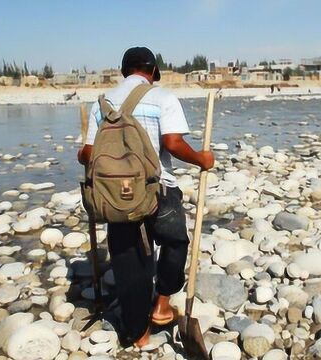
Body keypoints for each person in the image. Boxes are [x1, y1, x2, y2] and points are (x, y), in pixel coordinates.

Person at [77, 47, 215, 347]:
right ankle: (162, 304)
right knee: (176, 242)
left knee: (129, 261)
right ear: (153, 71)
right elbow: (173, 143)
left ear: (123, 70)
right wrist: (202, 159)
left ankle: (138, 334)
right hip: (159, 189)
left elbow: (88, 154)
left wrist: (84, 154)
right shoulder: (163, 97)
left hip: (116, 196)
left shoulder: (102, 103)